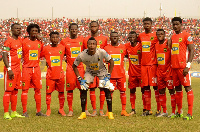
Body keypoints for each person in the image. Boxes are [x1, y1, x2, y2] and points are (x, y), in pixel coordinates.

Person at [73, 37, 114, 119]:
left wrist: (108, 75)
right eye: (90, 44)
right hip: (90, 71)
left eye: (93, 44)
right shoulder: (82, 55)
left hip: (101, 70)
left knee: (106, 89)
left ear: (96, 45)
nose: (92, 46)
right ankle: (83, 113)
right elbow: (74, 66)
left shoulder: (101, 52)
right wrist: (79, 78)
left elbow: (111, 61)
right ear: (87, 45)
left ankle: (110, 112)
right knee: (84, 88)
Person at [60, 23, 88, 116]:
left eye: (75, 29)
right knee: (70, 90)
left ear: (77, 30)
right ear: (69, 30)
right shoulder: (64, 41)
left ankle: (85, 109)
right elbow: (60, 53)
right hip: (70, 69)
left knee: (83, 89)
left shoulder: (82, 40)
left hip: (80, 68)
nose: (74, 30)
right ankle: (70, 110)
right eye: (72, 29)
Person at [170, 17, 194, 120]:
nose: (175, 26)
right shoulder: (172, 37)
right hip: (174, 68)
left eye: (177, 24)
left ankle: (190, 113)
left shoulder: (186, 35)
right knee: (178, 90)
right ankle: (179, 112)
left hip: (183, 68)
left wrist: (188, 66)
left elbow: (192, 50)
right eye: (173, 24)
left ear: (181, 24)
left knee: (187, 88)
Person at [83, 21, 108, 116]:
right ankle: (94, 110)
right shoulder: (85, 40)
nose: (93, 28)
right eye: (92, 26)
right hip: (91, 68)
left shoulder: (104, 39)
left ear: (98, 27)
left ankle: (101, 110)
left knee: (102, 88)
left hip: (101, 68)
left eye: (95, 26)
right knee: (92, 89)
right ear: (89, 27)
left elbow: (106, 52)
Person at [21, 24, 46, 117]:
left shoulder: (40, 42)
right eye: (33, 31)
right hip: (26, 69)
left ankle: (38, 111)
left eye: (36, 31)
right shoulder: (24, 41)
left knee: (38, 90)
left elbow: (42, 54)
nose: (35, 33)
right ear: (29, 32)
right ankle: (24, 111)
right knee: (25, 90)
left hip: (36, 69)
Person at [138, 17, 160, 116]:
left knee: (155, 87)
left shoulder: (156, 35)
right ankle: (148, 109)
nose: (146, 25)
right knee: (146, 88)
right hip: (143, 65)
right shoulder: (140, 36)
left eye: (148, 23)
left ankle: (159, 109)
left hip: (153, 65)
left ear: (151, 24)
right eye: (145, 23)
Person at [2, 23, 25, 120]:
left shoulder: (20, 40)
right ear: (12, 30)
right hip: (10, 70)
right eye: (16, 28)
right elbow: (4, 55)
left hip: (18, 70)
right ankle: (6, 113)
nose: (18, 30)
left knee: (15, 91)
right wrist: (9, 69)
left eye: (19, 29)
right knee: (8, 91)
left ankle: (13, 112)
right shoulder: (8, 41)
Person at [104, 31, 129, 116]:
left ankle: (123, 110)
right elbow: (104, 61)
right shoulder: (106, 48)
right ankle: (108, 111)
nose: (114, 38)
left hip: (121, 75)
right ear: (110, 38)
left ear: (119, 38)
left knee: (123, 92)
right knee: (109, 93)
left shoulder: (123, 47)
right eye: (113, 36)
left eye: (116, 36)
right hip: (111, 75)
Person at [41, 31, 66, 116]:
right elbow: (39, 57)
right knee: (48, 93)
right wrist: (45, 63)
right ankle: (48, 109)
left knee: (61, 92)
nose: (55, 39)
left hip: (60, 75)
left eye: (56, 37)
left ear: (59, 38)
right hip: (50, 75)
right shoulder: (45, 49)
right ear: (50, 38)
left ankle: (61, 109)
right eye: (53, 37)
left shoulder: (62, 48)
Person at [155, 29, 176, 117]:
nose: (160, 35)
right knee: (161, 91)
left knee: (171, 91)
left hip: (168, 72)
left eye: (161, 34)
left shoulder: (168, 43)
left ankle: (173, 112)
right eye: (158, 34)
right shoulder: (156, 45)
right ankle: (164, 111)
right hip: (159, 72)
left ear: (164, 35)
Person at [125, 31, 144, 115]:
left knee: (144, 90)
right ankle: (133, 109)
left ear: (136, 37)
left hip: (141, 73)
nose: (132, 39)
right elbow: (124, 55)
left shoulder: (141, 46)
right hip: (132, 73)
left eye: (133, 37)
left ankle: (145, 108)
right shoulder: (126, 46)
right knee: (132, 90)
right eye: (130, 37)